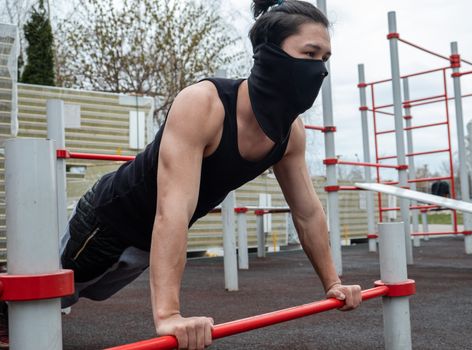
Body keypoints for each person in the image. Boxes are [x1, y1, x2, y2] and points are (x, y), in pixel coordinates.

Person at [2, 1, 362, 349]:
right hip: (107, 222)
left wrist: (333, 283)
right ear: (269, 52)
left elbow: (307, 212)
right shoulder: (203, 104)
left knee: (65, 299)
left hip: (147, 243)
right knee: (36, 301)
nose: (320, 70)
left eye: (325, 59)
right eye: (310, 54)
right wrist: (169, 315)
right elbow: (172, 210)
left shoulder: (290, 133)